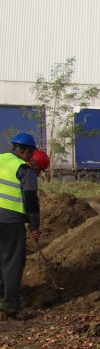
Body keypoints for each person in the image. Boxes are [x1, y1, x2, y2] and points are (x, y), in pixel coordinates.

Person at [0, 132, 41, 319]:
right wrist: (35, 226)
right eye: (30, 153)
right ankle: (10, 305)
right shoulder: (23, 169)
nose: (31, 157)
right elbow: (31, 200)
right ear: (24, 150)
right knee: (12, 263)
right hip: (10, 221)